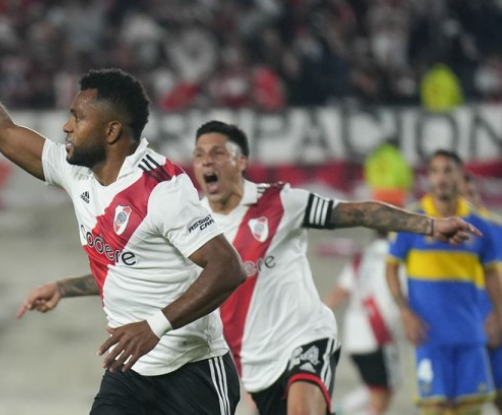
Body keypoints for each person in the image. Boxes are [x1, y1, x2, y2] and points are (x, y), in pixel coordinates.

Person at [0, 8, 245, 414]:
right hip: (130, 368)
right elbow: (0, 131)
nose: (66, 127)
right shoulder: (77, 171)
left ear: (111, 131)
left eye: (78, 117)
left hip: (194, 371)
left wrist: (154, 326)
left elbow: (227, 268)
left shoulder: (162, 190)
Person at [191, 121, 480, 415]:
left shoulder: (281, 202)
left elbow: (360, 213)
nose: (207, 161)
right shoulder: (192, 223)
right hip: (254, 365)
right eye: (199, 155)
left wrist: (430, 225)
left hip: (305, 338)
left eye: (217, 153)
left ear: (241, 161)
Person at [387, 150, 502, 415]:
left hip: (470, 334)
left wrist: (498, 314)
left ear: (461, 177)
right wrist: (404, 312)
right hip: (429, 336)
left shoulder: (479, 224)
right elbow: (391, 268)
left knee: (471, 409)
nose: (441, 178)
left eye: (448, 171)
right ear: (428, 177)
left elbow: (492, 274)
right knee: (434, 408)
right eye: (435, 171)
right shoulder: (413, 220)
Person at [324, 230, 401, 415]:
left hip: (354, 336)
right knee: (381, 399)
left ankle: (336, 410)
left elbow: (339, 292)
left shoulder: (363, 257)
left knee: (376, 388)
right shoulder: (398, 256)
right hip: (378, 334)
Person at [460, 172, 502, 414]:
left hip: (494, 323)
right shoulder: (438, 232)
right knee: (461, 401)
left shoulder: (496, 230)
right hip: (460, 326)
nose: (468, 201)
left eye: (472, 194)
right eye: (461, 196)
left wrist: (498, 317)